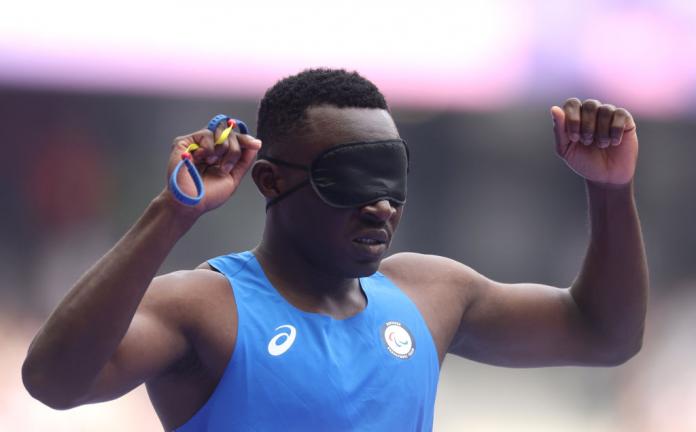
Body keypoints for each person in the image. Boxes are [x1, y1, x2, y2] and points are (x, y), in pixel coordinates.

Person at [21, 68, 648, 431]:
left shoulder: (430, 295)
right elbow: (53, 382)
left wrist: (610, 190)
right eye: (349, 180)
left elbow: (605, 334)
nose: (380, 204)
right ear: (270, 181)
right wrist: (173, 211)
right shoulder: (205, 307)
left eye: (391, 180)